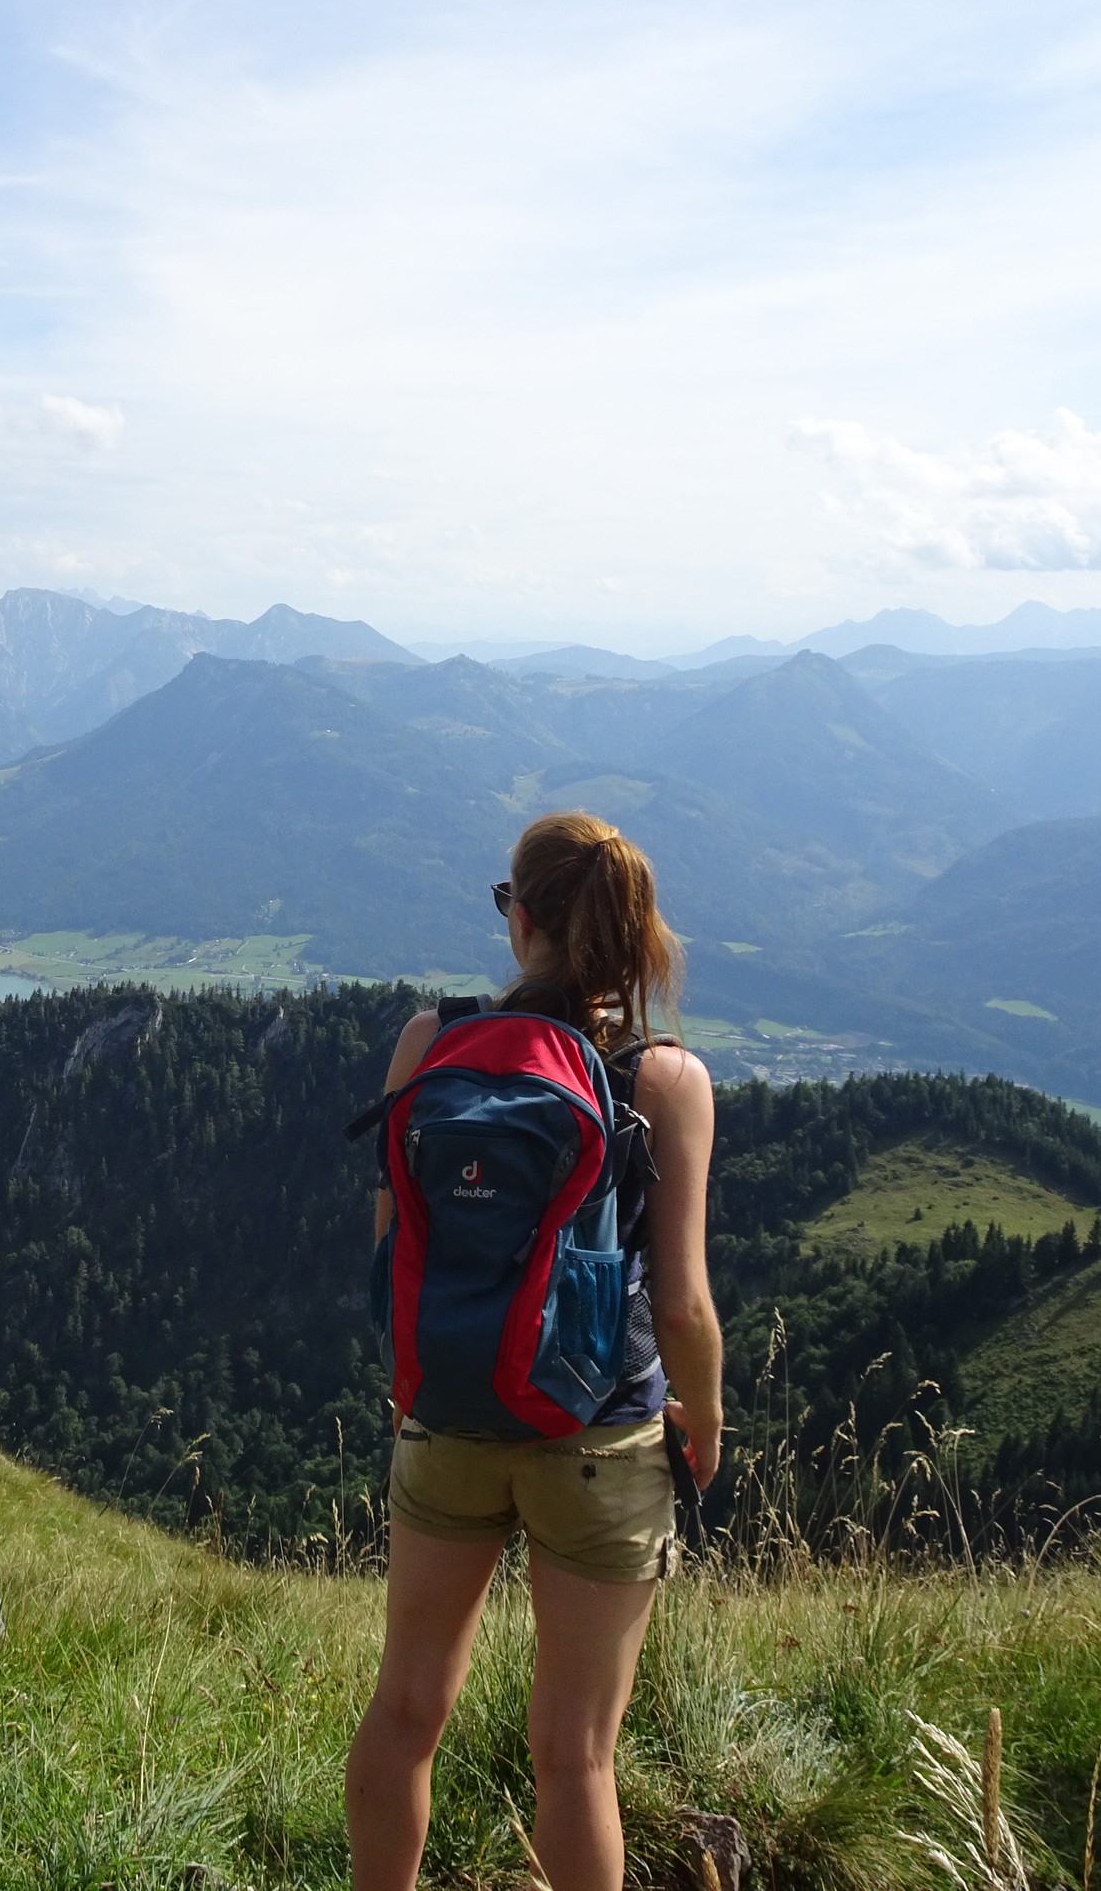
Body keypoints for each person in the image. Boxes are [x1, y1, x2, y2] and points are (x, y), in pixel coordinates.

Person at [345, 810, 722, 1891]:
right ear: (633, 935)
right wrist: (701, 1414)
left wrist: (419, 1373)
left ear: (520, 921)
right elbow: (685, 1303)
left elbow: (393, 1242)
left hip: (447, 1415)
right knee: (574, 1754)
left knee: (406, 1705)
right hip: (600, 1432)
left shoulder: (430, 1044)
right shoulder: (664, 1080)